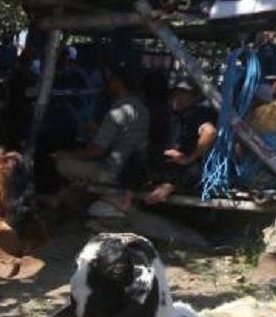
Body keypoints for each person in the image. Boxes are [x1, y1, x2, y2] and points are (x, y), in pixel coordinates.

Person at [51, 57, 151, 217]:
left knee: (62, 164)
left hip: (112, 171)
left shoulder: (117, 112)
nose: (108, 83)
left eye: (111, 79)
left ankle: (81, 199)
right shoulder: (142, 108)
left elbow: (96, 151)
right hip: (132, 169)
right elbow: (125, 133)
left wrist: (67, 154)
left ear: (118, 82)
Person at [144, 76, 217, 204]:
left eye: (183, 93)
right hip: (171, 166)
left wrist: (188, 158)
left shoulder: (197, 113)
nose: (177, 97)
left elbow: (209, 132)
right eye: (175, 93)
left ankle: (168, 185)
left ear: (195, 97)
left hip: (191, 171)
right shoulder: (175, 114)